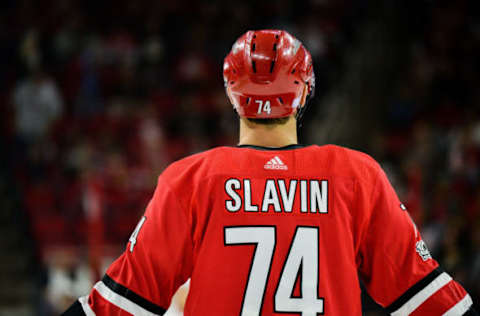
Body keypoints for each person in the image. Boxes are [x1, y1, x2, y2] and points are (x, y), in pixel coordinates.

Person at [63, 30, 477, 316]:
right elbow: (425, 295)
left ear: (232, 94)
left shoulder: (191, 180)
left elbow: (121, 303)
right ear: (305, 91)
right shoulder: (356, 175)